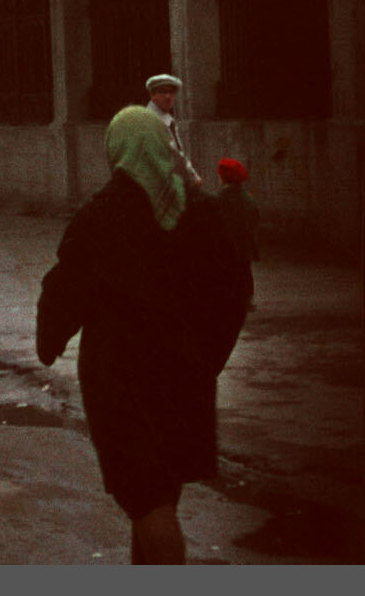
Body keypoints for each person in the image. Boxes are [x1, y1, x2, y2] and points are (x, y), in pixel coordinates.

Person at [37, 105, 253, 564]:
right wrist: (206, 358)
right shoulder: (201, 212)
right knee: (159, 494)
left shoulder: (104, 215)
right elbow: (234, 291)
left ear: (116, 151)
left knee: (146, 499)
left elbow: (65, 288)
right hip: (185, 379)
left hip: (121, 384)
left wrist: (49, 341)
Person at [144, 74, 203, 188]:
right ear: (153, 95)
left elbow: (179, 151)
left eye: (171, 92)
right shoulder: (151, 119)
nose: (168, 96)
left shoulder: (167, 119)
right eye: (163, 92)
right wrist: (193, 177)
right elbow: (174, 155)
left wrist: (193, 175)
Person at [215, 158, 261, 264]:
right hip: (245, 254)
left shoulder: (219, 200)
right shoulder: (249, 199)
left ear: (223, 177)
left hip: (225, 253)